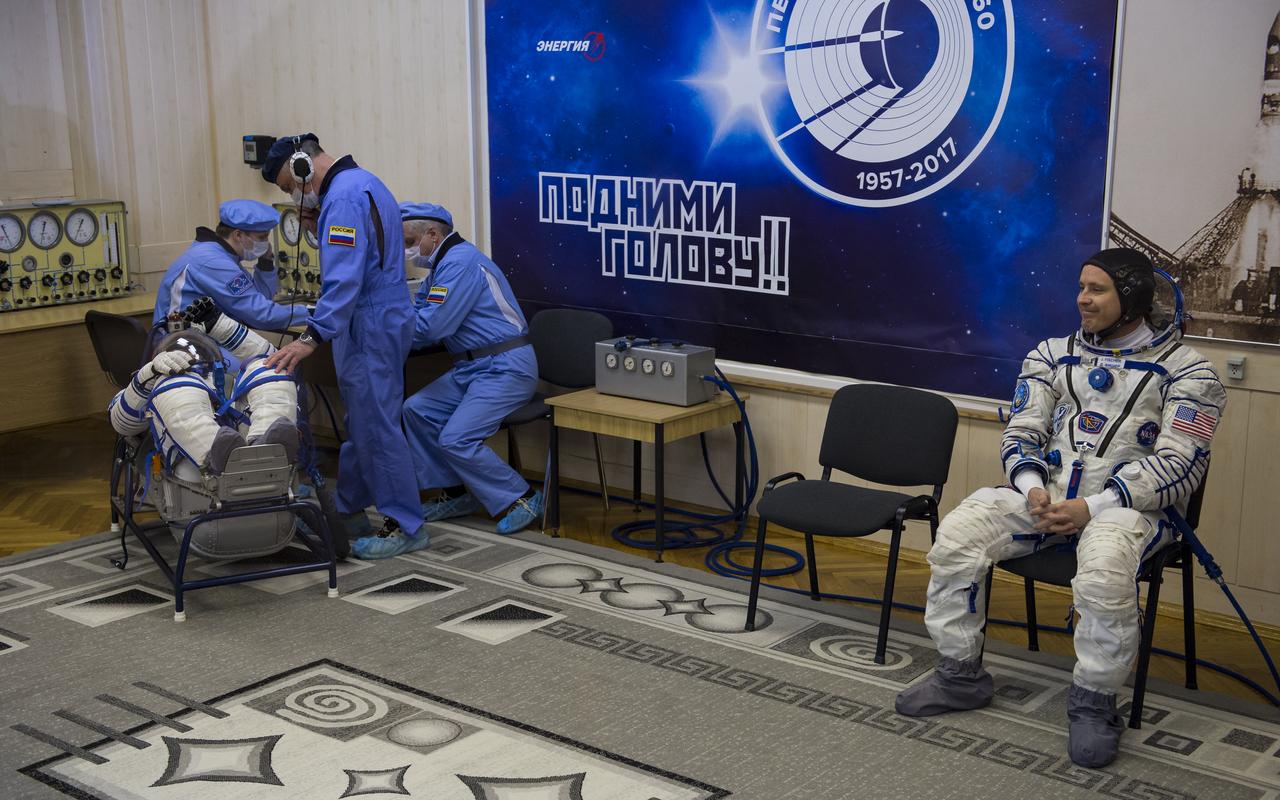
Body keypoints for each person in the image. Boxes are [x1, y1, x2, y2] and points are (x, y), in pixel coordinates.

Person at [895, 248, 1226, 769]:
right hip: (1047, 499)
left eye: (1097, 290)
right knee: (959, 534)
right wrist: (1032, 489)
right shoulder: (1051, 356)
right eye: (1081, 287)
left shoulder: (1189, 373)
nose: (1082, 299)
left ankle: (1093, 704)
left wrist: (1092, 506)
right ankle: (959, 676)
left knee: (1104, 570)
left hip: (1129, 510)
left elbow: (1180, 464)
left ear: (1132, 298)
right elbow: (1022, 432)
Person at [258, 134, 424, 555]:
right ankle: (349, 509)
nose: (294, 197)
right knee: (363, 421)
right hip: (377, 317)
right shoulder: (362, 183)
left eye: (289, 187)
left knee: (378, 425)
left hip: (369, 321)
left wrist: (312, 336)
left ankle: (406, 526)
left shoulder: (344, 198)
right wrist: (319, 226)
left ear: (302, 166)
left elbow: (346, 279)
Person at [396, 202, 542, 551]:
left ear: (433, 234)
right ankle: (456, 493)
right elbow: (419, 313)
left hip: (506, 366)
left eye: (410, 241)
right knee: (416, 410)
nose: (407, 250)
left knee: (456, 439)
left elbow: (432, 325)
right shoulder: (442, 266)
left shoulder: (460, 263)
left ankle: (521, 498)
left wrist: (383, 326)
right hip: (472, 367)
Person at [110, 300, 298, 477]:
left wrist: (223, 326)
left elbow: (277, 360)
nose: (192, 362)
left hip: (250, 450)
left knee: (270, 368)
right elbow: (122, 423)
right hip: (196, 471)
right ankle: (218, 455)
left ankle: (268, 448)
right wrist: (148, 374)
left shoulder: (227, 382)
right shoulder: (156, 382)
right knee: (176, 387)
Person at [153, 199, 305, 333]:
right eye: (262, 237)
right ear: (238, 235)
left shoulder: (223, 255)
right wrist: (312, 312)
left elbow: (259, 301)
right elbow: (262, 315)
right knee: (273, 356)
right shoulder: (213, 262)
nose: (265, 243)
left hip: (201, 336)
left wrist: (266, 262)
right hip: (180, 343)